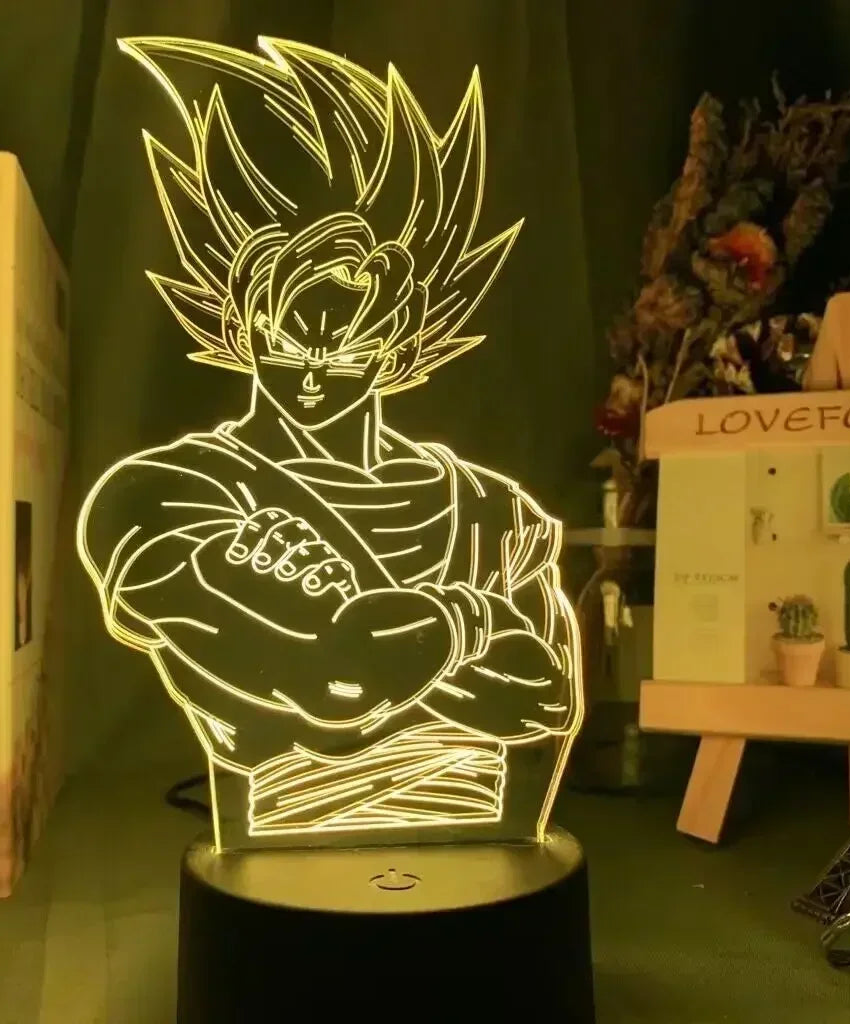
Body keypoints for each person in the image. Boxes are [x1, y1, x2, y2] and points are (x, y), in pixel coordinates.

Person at [78, 36, 583, 848]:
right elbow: (336, 679)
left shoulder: (490, 509)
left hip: (493, 841)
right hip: (273, 841)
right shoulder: (163, 493)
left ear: (395, 349)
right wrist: (474, 621)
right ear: (246, 328)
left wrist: (373, 643)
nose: (312, 378)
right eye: (287, 347)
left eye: (347, 354)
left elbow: (547, 700)